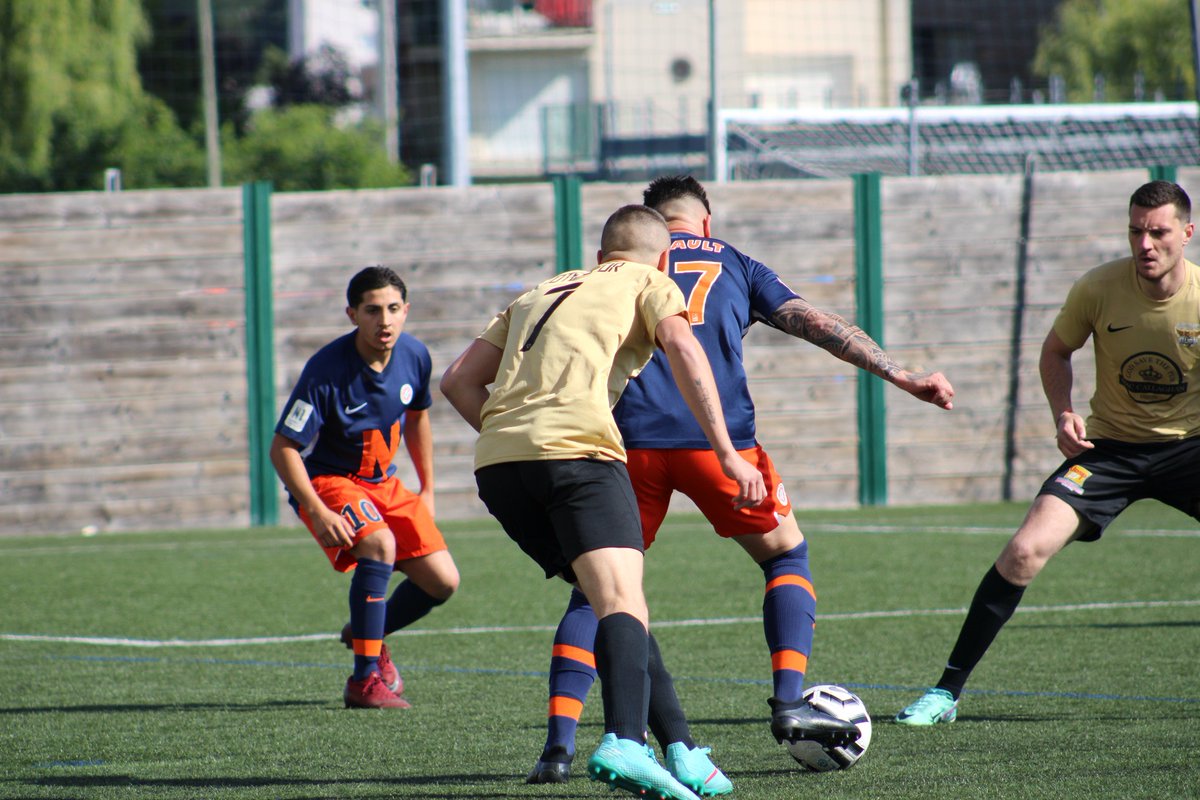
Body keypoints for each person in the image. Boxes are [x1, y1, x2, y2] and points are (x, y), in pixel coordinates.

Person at [524, 175, 956, 789]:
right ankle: (787, 704)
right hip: (718, 446)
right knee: (786, 555)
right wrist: (900, 373)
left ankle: (558, 747)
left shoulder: (614, 272)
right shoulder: (732, 259)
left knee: (596, 594)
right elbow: (815, 323)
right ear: (705, 220)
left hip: (626, 448)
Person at [440, 204, 767, 800]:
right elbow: (686, 352)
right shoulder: (653, 281)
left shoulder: (543, 288)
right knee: (619, 598)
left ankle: (684, 752)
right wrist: (726, 451)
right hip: (579, 455)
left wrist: (512, 437)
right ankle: (624, 740)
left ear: (599, 257)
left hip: (500, 468)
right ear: (663, 256)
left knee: (615, 600)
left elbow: (457, 380)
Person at [896, 180, 1200, 726]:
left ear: (1187, 233)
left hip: (1189, 450)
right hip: (1108, 450)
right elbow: (1057, 351)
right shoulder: (1099, 288)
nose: (1145, 244)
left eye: (1158, 232)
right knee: (1022, 552)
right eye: (1136, 231)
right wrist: (1063, 412)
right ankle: (946, 693)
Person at [270, 266, 460, 709]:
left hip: (384, 483)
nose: (385, 320)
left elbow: (418, 417)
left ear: (406, 311)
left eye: (394, 309)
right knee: (379, 544)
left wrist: (427, 487)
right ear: (352, 314)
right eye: (372, 310)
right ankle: (364, 679)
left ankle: (366, 632)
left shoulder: (414, 355)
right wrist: (316, 509)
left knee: (443, 582)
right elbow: (282, 448)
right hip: (330, 482)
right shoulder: (326, 370)